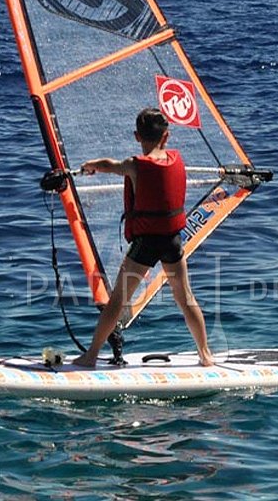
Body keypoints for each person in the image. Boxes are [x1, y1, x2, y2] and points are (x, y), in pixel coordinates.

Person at [71, 108, 214, 368]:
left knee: (117, 302)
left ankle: (90, 356)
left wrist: (89, 166)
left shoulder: (135, 165)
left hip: (146, 243)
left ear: (137, 136)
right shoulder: (175, 158)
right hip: (172, 240)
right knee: (186, 298)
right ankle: (206, 355)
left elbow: (109, 165)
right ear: (166, 137)